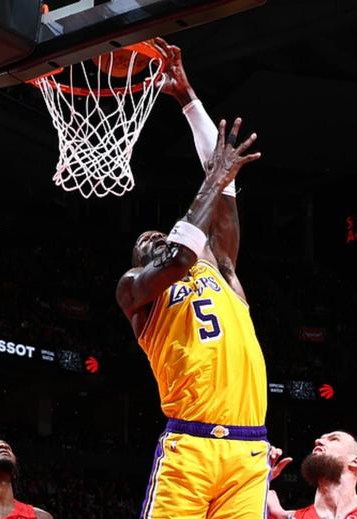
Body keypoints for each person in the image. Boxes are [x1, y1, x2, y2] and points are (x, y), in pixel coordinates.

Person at [116, 38, 269, 518]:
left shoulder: (221, 269)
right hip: (191, 446)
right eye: (145, 240)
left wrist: (186, 98)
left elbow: (223, 184)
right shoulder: (135, 291)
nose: (153, 235)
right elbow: (181, 254)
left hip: (250, 450)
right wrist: (214, 181)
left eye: (158, 232)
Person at [267, 431, 357, 519]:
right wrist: (262, 478)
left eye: (334, 439)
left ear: (355, 461)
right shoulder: (290, 516)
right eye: (320, 439)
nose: (317, 441)